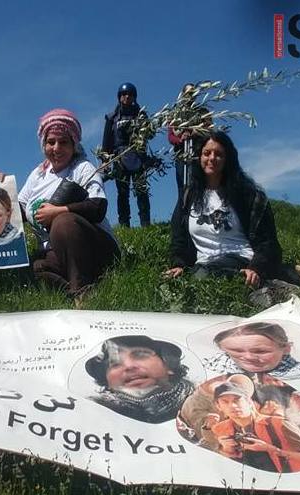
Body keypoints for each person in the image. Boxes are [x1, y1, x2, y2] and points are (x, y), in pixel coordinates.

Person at [15, 108, 120, 296]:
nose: (56, 148)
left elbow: (98, 207)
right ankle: (80, 287)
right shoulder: (38, 174)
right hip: (57, 250)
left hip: (97, 247)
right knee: (38, 267)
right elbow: (18, 210)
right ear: (43, 144)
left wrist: (58, 211)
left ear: (74, 144)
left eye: (63, 142)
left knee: (63, 222)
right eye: (50, 142)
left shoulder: (83, 169)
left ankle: (80, 290)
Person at [165, 130, 285, 289]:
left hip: (241, 261)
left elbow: (267, 241)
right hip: (202, 265)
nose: (212, 158)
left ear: (228, 159)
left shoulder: (248, 195)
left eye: (219, 154)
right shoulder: (188, 196)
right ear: (199, 157)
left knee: (202, 279)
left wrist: (256, 268)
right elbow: (178, 237)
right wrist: (178, 264)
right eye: (206, 153)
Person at [210, 380, 300, 473]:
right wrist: (226, 449)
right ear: (218, 406)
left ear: (249, 402)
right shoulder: (220, 430)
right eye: (225, 402)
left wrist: (271, 449)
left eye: (237, 400)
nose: (233, 406)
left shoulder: (279, 424)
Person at [85, 335, 194, 423]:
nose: (129, 366)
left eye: (140, 356)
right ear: (107, 381)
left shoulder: (203, 398)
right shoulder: (91, 411)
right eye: (115, 364)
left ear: (169, 366)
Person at [101, 82, 151, 227]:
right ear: (119, 97)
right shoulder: (112, 118)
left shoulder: (141, 116)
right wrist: (105, 160)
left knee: (141, 191)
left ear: (134, 97)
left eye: (130, 94)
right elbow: (107, 141)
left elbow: (148, 135)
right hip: (119, 158)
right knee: (122, 193)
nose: (127, 97)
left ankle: (146, 224)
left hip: (138, 158)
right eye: (124, 94)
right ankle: (124, 224)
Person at [205, 322, 300, 378]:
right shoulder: (216, 365)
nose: (248, 357)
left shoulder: (296, 372)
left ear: (286, 349)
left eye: (260, 351)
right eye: (237, 351)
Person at [167, 82, 211, 200]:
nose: (190, 96)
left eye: (192, 93)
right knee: (183, 188)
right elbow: (171, 136)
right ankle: (182, 214)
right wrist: (180, 139)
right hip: (182, 155)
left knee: (199, 185)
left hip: (198, 154)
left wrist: (194, 132)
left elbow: (208, 130)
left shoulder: (202, 112)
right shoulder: (175, 114)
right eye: (187, 93)